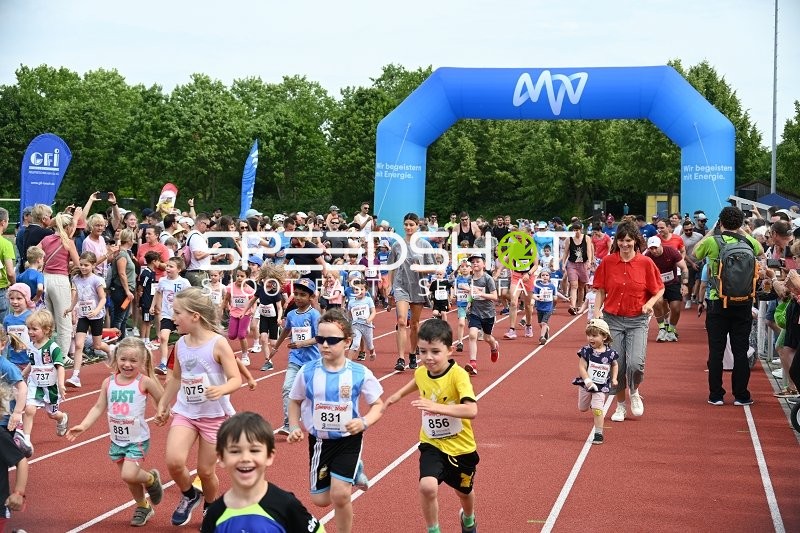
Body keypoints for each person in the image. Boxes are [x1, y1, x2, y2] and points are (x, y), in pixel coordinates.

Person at [287, 309, 383, 533]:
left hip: (349, 439)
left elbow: (378, 405)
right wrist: (293, 426)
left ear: (347, 341)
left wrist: (364, 422)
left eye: (332, 340)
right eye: (320, 339)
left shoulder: (359, 373)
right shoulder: (307, 371)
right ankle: (354, 471)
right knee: (320, 500)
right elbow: (294, 401)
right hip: (320, 441)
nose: (325, 345)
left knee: (340, 495)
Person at [154, 287, 243, 527]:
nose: (173, 318)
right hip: (186, 412)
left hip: (214, 416)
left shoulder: (218, 343)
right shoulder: (181, 343)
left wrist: (222, 389)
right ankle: (189, 494)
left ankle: (211, 506)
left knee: (205, 472)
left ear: (195, 316)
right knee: (173, 461)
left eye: (177, 313)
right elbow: (175, 379)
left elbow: (236, 378)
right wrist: (163, 402)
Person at [382, 319, 479, 533]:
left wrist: (435, 407)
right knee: (427, 486)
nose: (428, 358)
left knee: (464, 493)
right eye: (423, 351)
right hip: (432, 442)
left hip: (462, 447)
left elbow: (471, 411)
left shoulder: (458, 376)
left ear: (450, 350)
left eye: (435, 352)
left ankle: (469, 518)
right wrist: (396, 395)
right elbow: (418, 380)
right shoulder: (422, 371)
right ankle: (433, 529)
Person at [66, 337, 165, 527]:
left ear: (142, 361)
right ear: (116, 359)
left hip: (137, 439)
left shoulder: (143, 382)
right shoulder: (108, 382)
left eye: (133, 361)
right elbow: (98, 407)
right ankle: (143, 506)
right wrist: (84, 425)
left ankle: (151, 479)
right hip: (117, 439)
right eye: (123, 359)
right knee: (129, 479)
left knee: (129, 474)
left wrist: (162, 413)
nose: (127, 364)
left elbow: (163, 398)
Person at [200, 412, 324, 533]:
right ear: (221, 458)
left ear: (269, 456)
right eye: (235, 451)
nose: (245, 458)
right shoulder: (215, 514)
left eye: (254, 450)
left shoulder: (286, 505)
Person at [593, 220, 664, 422]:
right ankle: (621, 406)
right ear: (617, 241)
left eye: (629, 240)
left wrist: (650, 303)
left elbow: (659, 288)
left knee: (635, 364)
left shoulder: (645, 262)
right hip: (612, 319)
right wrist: (597, 311)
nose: (625, 244)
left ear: (635, 241)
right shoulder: (608, 262)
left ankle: (635, 392)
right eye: (621, 240)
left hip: (637, 320)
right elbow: (601, 289)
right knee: (618, 365)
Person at [693, 206, 763, 406]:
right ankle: (741, 395)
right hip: (743, 301)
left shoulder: (712, 242)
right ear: (741, 223)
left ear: (720, 222)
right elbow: (760, 252)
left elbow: (695, 254)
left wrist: (712, 230)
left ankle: (716, 395)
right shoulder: (749, 241)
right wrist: (741, 231)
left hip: (717, 300)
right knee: (740, 350)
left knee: (716, 350)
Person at [270, 278, 322, 435]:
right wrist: (275, 347)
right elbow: (286, 330)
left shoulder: (314, 315)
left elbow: (320, 337)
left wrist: (302, 343)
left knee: (313, 393)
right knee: (287, 388)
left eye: (303, 295)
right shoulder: (292, 314)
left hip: (312, 361)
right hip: (295, 359)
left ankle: (318, 419)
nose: (298, 298)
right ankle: (288, 424)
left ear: (310, 297)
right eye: (296, 294)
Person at [388, 213, 439, 372]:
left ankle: (412, 354)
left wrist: (420, 268)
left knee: (415, 325)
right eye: (406, 224)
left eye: (411, 225)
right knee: (402, 321)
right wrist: (390, 286)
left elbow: (434, 267)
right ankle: (401, 358)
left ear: (417, 226)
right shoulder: (397, 245)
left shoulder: (424, 245)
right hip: (401, 285)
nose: (408, 227)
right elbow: (392, 267)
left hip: (418, 286)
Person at [21, 309, 69, 447]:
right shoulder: (30, 346)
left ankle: (62, 418)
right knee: (29, 409)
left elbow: (60, 367)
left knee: (52, 414)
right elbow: (33, 362)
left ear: (46, 330)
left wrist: (61, 384)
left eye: (34, 329)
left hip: (51, 387)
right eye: (28, 328)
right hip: (35, 384)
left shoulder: (53, 348)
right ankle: (26, 440)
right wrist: (23, 374)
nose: (30, 332)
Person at [38, 212, 82, 363]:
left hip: (44, 279)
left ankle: (45, 353)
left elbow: (35, 254)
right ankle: (62, 355)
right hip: (60, 280)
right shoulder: (68, 242)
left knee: (47, 320)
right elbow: (78, 264)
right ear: (67, 227)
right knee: (64, 320)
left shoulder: (45, 239)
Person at [64, 252, 113, 388]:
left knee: (97, 345)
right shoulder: (76, 279)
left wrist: (97, 310)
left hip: (96, 316)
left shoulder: (96, 280)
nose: (83, 267)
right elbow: (77, 295)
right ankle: (75, 376)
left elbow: (103, 298)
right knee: (79, 345)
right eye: (81, 264)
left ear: (93, 265)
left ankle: (110, 351)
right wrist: (70, 307)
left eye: (86, 265)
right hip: (84, 315)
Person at [572, 319, 619, 445]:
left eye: (594, 335)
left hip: (601, 386)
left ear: (604, 336)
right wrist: (587, 381)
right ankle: (591, 403)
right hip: (586, 384)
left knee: (598, 410)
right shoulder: (586, 351)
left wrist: (614, 378)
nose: (590, 338)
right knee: (582, 408)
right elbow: (582, 366)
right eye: (588, 335)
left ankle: (598, 433)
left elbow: (614, 365)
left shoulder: (610, 353)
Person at [0, 329, 28, 531]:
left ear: (2, 345)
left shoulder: (6, 366)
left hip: (4, 421)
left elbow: (22, 387)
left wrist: (17, 412)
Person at [150, 257, 192, 374]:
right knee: (163, 337)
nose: (167, 268)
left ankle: (186, 362)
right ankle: (163, 363)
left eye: (171, 266)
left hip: (180, 316)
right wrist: (153, 306)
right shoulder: (162, 281)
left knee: (184, 340)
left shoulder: (184, 282)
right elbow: (158, 293)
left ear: (179, 269)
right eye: (167, 266)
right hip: (167, 314)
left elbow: (189, 297)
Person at [644, 236, 689, 343]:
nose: (654, 251)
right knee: (657, 303)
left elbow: (684, 268)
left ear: (661, 245)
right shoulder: (647, 256)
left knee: (676, 308)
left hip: (672, 283)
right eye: (651, 248)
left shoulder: (671, 251)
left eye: (656, 247)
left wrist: (685, 284)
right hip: (657, 284)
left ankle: (671, 330)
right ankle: (662, 329)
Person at [464, 254, 500, 376]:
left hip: (488, 313)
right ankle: (473, 363)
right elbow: (471, 294)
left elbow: (495, 297)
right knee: (472, 335)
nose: (475, 263)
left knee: (487, 338)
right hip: (475, 312)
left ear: (483, 264)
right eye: (473, 262)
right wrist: (469, 301)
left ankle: (494, 347)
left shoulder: (487, 279)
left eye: (478, 261)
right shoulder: (470, 279)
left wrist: (481, 293)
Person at [220, 266, 256, 366]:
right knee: (231, 336)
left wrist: (252, 310)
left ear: (247, 277)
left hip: (245, 314)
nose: (239, 278)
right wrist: (223, 308)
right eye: (238, 275)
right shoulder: (231, 287)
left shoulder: (249, 290)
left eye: (242, 276)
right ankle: (245, 329)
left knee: (241, 335)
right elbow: (226, 299)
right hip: (234, 313)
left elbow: (254, 301)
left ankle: (245, 356)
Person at [346, 278, 377, 361]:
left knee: (369, 345)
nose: (358, 291)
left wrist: (369, 319)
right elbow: (349, 314)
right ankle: (348, 362)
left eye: (361, 289)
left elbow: (373, 312)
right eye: (356, 289)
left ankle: (372, 352)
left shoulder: (368, 300)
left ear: (366, 290)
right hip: (356, 326)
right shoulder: (351, 302)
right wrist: (349, 324)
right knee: (355, 344)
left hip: (367, 325)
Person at [0, 208, 17, 324]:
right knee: (4, 327)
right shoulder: (6, 244)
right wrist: (14, 284)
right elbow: (10, 272)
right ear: (3, 222)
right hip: (1, 289)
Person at [533, 269, 557, 345]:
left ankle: (542, 337)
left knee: (543, 323)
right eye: (543, 275)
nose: (545, 277)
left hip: (548, 308)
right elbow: (533, 295)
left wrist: (563, 298)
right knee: (540, 323)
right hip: (540, 307)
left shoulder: (552, 286)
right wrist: (537, 298)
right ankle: (546, 330)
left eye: (547, 275)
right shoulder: (537, 285)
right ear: (540, 276)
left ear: (549, 277)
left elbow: (556, 294)